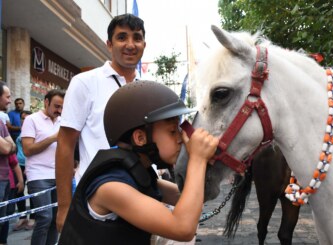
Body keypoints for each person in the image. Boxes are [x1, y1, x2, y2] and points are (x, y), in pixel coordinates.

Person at [58, 81, 218, 244]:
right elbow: (183, 228)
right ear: (140, 138)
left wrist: (207, 160)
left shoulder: (137, 173)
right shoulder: (111, 187)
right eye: (172, 131)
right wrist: (198, 159)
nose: (180, 139)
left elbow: (190, 196)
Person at [56, 13, 146, 231]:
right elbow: (65, 145)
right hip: (96, 202)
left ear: (144, 44)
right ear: (109, 44)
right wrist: (64, 207)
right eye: (122, 37)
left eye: (137, 38)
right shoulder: (85, 83)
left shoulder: (148, 89)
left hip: (142, 200)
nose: (130, 45)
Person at [22, 90, 64, 245]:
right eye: (56, 106)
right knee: (45, 217)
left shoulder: (61, 121)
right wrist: (53, 138)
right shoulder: (31, 120)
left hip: (59, 175)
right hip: (38, 175)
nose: (59, 111)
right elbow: (27, 150)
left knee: (56, 219)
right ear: (46, 102)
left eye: (61, 107)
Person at [0, 81, 17, 242]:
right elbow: (6, 148)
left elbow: (12, 147)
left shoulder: (0, 122)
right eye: (7, 97)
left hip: (4, 179)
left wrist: (8, 145)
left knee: (3, 219)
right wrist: (8, 145)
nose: (9, 100)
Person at [13, 110, 35, 231]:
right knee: (18, 190)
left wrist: (28, 165)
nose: (24, 120)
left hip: (29, 165)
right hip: (18, 164)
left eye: (26, 118)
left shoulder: (34, 131)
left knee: (32, 191)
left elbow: (31, 150)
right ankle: (22, 216)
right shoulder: (21, 132)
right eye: (22, 118)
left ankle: (33, 217)